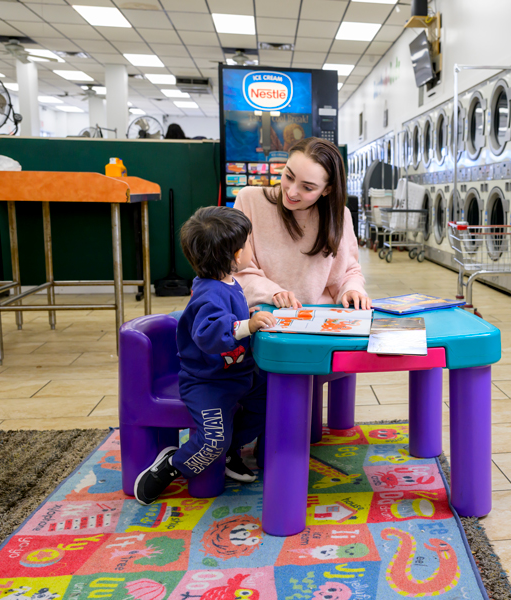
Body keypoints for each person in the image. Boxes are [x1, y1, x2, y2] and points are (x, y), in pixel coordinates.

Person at [133, 206, 278, 505]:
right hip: (207, 383)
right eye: (248, 243)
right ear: (237, 256)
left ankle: (227, 452)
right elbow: (209, 334)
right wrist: (245, 325)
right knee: (212, 440)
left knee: (269, 401)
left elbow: (229, 317)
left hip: (238, 375)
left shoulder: (226, 281)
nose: (251, 247)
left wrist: (247, 315)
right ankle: (173, 465)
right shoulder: (209, 293)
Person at [233, 137, 370, 310]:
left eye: (307, 187)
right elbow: (237, 269)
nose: (291, 192)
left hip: (320, 318)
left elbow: (349, 271)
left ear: (327, 190)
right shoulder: (249, 201)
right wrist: (274, 293)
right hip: (266, 315)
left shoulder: (340, 216)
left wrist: (352, 290)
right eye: (289, 176)